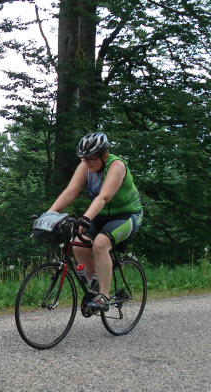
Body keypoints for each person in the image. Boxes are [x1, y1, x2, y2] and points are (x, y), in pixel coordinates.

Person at [47, 132, 143, 312]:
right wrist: (49, 214)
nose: (87, 162)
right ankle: (95, 286)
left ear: (104, 155)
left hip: (127, 215)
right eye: (84, 159)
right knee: (78, 244)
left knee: (100, 244)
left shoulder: (117, 166)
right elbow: (70, 192)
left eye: (91, 158)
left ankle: (104, 296)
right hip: (102, 214)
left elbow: (104, 197)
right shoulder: (85, 166)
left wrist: (85, 218)